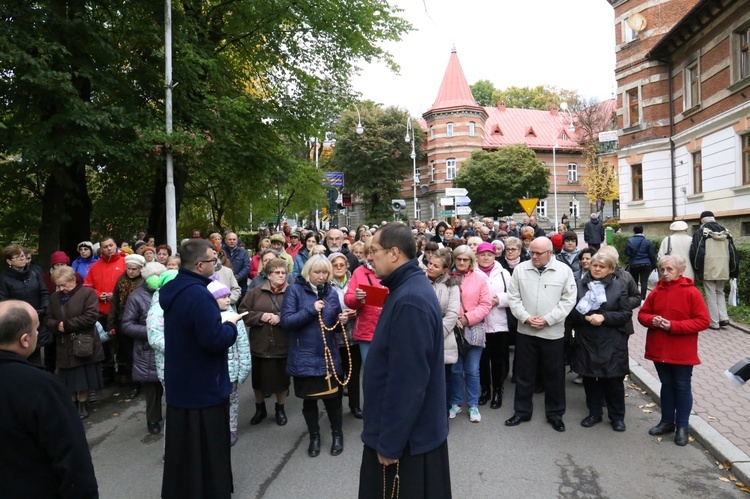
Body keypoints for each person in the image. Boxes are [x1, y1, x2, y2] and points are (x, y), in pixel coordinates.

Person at [359, 223, 450, 498]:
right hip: (410, 435)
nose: (369, 257)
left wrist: (389, 443)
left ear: (394, 253)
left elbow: (408, 383)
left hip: (408, 441)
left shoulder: (410, 299)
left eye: (374, 250)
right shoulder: (406, 289)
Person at [159, 239, 241, 498]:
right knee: (208, 447)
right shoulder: (199, 295)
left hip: (181, 383)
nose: (215, 265)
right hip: (204, 386)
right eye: (212, 261)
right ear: (198, 265)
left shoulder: (174, 289)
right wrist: (230, 326)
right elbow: (212, 340)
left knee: (184, 448)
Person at [0, 300, 99, 498]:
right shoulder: (41, 387)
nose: (38, 333)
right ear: (25, 340)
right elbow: (72, 459)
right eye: (37, 328)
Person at [505, 237, 577, 432]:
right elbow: (513, 297)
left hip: (552, 333)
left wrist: (549, 319)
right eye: (532, 252)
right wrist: (526, 318)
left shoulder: (564, 271)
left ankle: (555, 413)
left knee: (554, 375)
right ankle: (521, 411)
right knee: (524, 374)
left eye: (539, 253)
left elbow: (568, 300)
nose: (533, 256)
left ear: (550, 253)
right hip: (526, 331)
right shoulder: (521, 269)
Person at [280, 255, 349, 458]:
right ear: (308, 272)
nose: (321, 277)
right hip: (304, 356)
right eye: (317, 272)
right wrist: (311, 309)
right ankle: (314, 437)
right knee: (309, 402)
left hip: (328, 355)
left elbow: (332, 327)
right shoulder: (295, 290)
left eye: (325, 273)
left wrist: (341, 321)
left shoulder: (332, 293)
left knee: (333, 401)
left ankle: (338, 435)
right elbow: (287, 322)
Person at [638, 254, 710, 446]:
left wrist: (674, 326)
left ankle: (682, 426)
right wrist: (651, 320)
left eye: (669, 269)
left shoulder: (692, 292)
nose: (665, 273)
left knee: (682, 386)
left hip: (682, 350)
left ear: (680, 270)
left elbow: (703, 321)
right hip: (659, 348)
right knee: (666, 385)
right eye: (662, 269)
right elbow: (642, 314)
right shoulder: (656, 291)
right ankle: (667, 421)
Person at [569, 251, 633, 431]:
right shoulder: (579, 286)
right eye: (594, 265)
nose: (597, 269)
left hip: (612, 341)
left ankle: (617, 417)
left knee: (613, 381)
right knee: (590, 379)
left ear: (611, 270)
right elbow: (570, 311)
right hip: (587, 340)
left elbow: (626, 313)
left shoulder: (618, 286)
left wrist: (604, 317)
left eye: (602, 266)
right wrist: (586, 318)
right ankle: (594, 413)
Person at [46, 266, 105, 419]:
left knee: (82, 376)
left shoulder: (88, 293)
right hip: (63, 342)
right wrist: (55, 326)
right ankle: (71, 403)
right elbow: (48, 318)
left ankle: (83, 403)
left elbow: (91, 316)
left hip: (82, 341)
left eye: (63, 285)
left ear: (73, 280)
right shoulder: (54, 297)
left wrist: (65, 325)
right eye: (57, 285)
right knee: (68, 376)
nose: (60, 288)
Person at [239, 258, 291, 427]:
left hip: (282, 343)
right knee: (258, 381)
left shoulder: (293, 292)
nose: (281, 276)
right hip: (260, 344)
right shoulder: (255, 292)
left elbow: (299, 313)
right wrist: (261, 316)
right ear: (268, 275)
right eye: (277, 272)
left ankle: (280, 408)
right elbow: (243, 312)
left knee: (282, 380)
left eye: (283, 272)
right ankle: (260, 408)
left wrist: (281, 318)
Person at [121, 261, 167, 435]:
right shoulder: (137, 296)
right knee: (153, 389)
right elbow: (127, 325)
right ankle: (153, 419)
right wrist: (152, 331)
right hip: (147, 350)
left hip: (168, 347)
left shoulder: (168, 292)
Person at [448, 245, 491, 423]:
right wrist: (453, 319)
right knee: (456, 369)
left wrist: (467, 318)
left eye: (465, 259)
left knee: (472, 370)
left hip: (473, 328)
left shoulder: (480, 279)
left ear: (471, 261)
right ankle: (456, 402)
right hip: (452, 330)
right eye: (459, 259)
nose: (462, 262)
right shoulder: (447, 278)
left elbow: (486, 304)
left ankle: (473, 405)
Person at [207, 281, 251, 446]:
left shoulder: (234, 318)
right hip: (213, 372)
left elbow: (243, 345)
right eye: (223, 297)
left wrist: (244, 369)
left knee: (231, 400)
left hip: (231, 371)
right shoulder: (208, 318)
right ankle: (216, 428)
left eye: (228, 296)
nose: (228, 299)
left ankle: (231, 428)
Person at [475, 242, 513, 410]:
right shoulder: (472, 273)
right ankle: (485, 390)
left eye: (489, 254)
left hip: (499, 324)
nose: (486, 257)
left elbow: (514, 295)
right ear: (477, 256)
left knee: (498, 360)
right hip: (479, 324)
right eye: (482, 254)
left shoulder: (504, 273)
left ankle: (498, 390)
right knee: (482, 360)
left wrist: (498, 299)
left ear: (495, 255)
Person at [0, 244, 51, 367]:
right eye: (18, 257)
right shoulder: (3, 278)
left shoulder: (34, 272)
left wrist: (43, 309)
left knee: (36, 355)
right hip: (17, 321)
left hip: (38, 317)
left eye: (23, 256)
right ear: (9, 261)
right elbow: (3, 302)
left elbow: (44, 292)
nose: (22, 259)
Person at [690, 211, 739, 330]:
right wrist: (733, 270)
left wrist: (697, 269)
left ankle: (714, 322)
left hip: (708, 268)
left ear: (702, 221)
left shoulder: (700, 232)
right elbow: (733, 252)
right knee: (720, 292)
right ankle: (724, 317)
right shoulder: (726, 232)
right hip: (723, 267)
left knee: (710, 293)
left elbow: (696, 253)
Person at [426, 248, 460, 411]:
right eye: (430, 263)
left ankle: (443, 413)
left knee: (443, 378)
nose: (430, 267)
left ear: (445, 270)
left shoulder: (452, 285)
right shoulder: (420, 280)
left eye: (435, 266)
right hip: (421, 336)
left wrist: (436, 334)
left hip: (443, 338)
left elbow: (453, 314)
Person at [329, 252, 362, 418]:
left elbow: (362, 303)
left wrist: (356, 311)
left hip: (354, 335)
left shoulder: (353, 282)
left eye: (342, 264)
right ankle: (336, 408)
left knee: (354, 374)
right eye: (336, 265)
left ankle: (355, 406)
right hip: (335, 338)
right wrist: (338, 316)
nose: (339, 268)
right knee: (337, 375)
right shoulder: (326, 285)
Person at [344, 239, 385, 365]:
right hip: (366, 329)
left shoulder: (389, 270)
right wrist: (357, 298)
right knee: (369, 369)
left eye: (374, 252)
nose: (371, 257)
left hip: (387, 329)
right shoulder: (359, 272)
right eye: (368, 253)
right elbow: (348, 299)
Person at [625, 225, 656, 301]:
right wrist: (654, 265)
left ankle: (636, 297)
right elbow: (652, 254)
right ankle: (643, 298)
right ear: (642, 231)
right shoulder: (647, 241)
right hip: (646, 264)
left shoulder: (630, 241)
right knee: (644, 281)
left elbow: (627, 252)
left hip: (634, 264)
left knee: (634, 281)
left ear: (634, 231)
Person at [224, 231, 251, 297]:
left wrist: (238, 277)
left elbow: (247, 267)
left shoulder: (243, 252)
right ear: (225, 240)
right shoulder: (222, 252)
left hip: (241, 284)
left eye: (234, 239)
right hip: (225, 283)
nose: (232, 241)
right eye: (230, 239)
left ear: (237, 240)